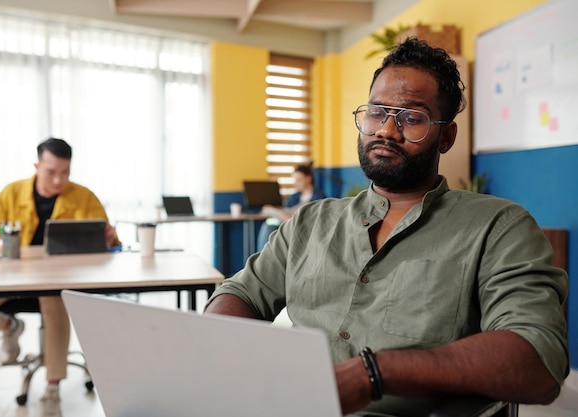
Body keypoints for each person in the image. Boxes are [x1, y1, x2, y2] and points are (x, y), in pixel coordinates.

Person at [205, 38, 569, 417]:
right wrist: (220, 356)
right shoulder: (311, 222)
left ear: (446, 137)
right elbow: (241, 294)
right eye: (378, 112)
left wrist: (372, 374)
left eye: (412, 118)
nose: (387, 131)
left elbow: (537, 358)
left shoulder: (497, 226)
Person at [0, 138, 118, 417]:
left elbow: (112, 244)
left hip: (60, 280)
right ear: (37, 165)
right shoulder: (11, 193)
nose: (58, 180)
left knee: (54, 299)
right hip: (11, 279)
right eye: (51, 171)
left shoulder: (84, 197)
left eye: (65, 172)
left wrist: (109, 237)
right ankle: (8, 327)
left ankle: (52, 388)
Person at [256, 163, 326, 251]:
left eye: (299, 180)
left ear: (308, 178)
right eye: (295, 180)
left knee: (270, 227)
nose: (296, 183)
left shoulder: (319, 197)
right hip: (288, 224)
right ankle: (261, 258)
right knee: (268, 224)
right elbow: (286, 211)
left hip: (304, 227)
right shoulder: (294, 197)